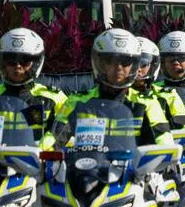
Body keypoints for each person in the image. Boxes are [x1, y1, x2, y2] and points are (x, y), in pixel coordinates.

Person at [45, 28, 173, 150]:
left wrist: (167, 156)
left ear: (134, 65)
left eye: (125, 61)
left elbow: (164, 141)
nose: (118, 67)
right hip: (87, 165)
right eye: (111, 61)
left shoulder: (147, 103)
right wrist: (40, 154)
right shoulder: (77, 101)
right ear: (100, 63)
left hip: (134, 166)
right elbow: (53, 137)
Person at [135, 37, 185, 129]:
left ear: (153, 66)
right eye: (132, 63)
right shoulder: (115, 97)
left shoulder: (169, 95)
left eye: (143, 64)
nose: (137, 69)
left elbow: (184, 130)